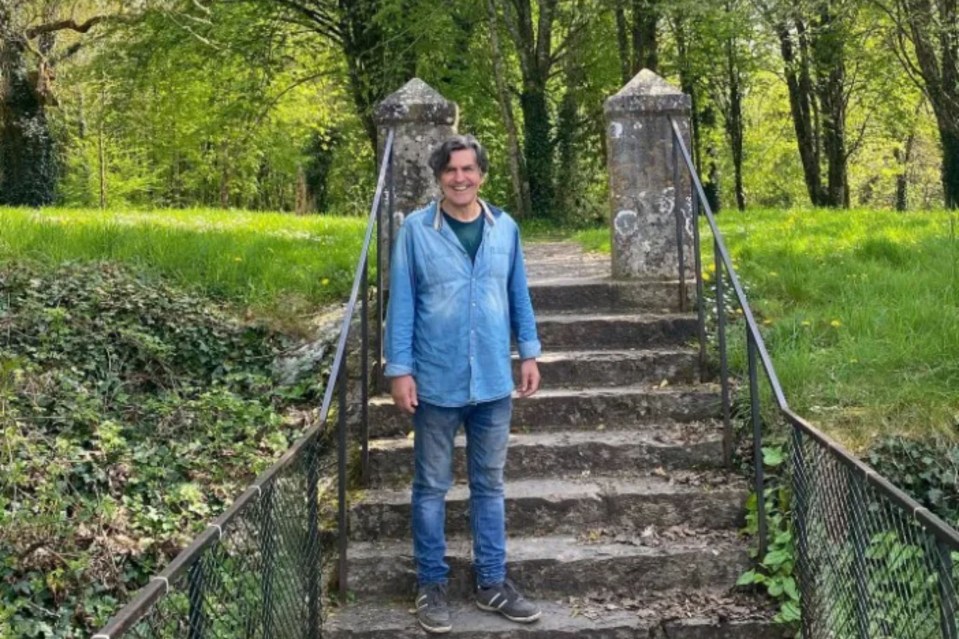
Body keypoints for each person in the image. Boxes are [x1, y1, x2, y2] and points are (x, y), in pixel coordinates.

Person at [383, 134, 542, 634]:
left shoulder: (505, 228)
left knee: (489, 486)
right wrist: (399, 370)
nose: (460, 178)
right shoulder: (415, 230)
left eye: (468, 169)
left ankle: (492, 582)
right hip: (435, 380)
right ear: (439, 176)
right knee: (431, 487)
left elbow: (518, 292)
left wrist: (530, 352)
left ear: (482, 174)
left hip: (494, 380)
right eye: (450, 170)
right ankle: (432, 585)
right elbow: (401, 305)